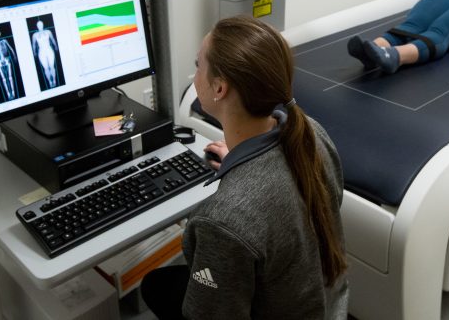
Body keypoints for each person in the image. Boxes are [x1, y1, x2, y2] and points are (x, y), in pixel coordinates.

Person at [141, 16, 348, 320]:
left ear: (219, 88)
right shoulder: (312, 134)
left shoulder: (223, 219)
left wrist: (244, 180)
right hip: (326, 307)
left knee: (155, 286)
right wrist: (242, 162)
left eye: (199, 64)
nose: (195, 73)